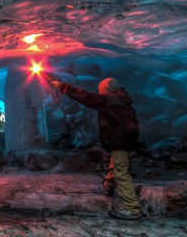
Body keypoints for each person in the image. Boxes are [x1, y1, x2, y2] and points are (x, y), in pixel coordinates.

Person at [48, 75, 143, 220]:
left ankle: (132, 208)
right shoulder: (123, 102)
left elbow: (86, 97)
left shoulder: (110, 100)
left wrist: (63, 87)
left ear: (106, 90)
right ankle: (109, 185)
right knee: (117, 166)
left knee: (121, 172)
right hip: (126, 143)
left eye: (101, 91)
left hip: (120, 143)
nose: (99, 94)